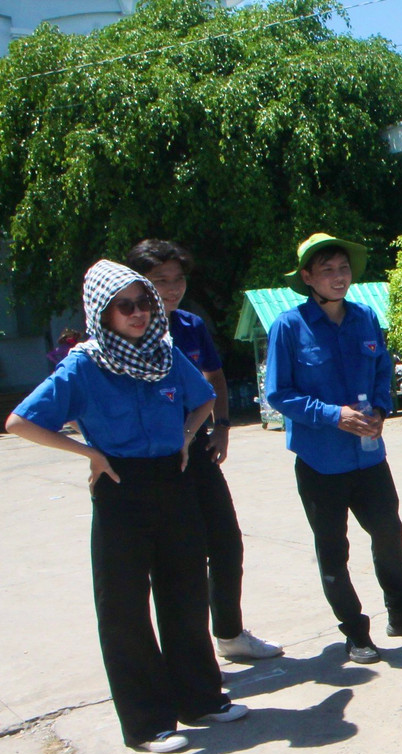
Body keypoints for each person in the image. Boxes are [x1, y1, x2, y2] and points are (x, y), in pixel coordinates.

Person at [6, 261, 247, 753]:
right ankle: (148, 723)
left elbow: (202, 397)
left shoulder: (165, 353)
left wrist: (184, 436)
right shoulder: (84, 364)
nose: (139, 313)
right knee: (124, 608)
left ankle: (200, 699)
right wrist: (89, 453)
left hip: (174, 479)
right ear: (103, 311)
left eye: (145, 303)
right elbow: (19, 422)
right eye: (126, 305)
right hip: (120, 485)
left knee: (185, 593)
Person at [266, 233, 402, 666]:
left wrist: (383, 407)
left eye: (343, 268)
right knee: (334, 549)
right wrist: (333, 415)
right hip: (319, 460)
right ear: (307, 277)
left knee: (388, 531)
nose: (337, 277)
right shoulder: (288, 327)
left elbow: (382, 367)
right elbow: (278, 393)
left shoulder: (365, 317)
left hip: (368, 455)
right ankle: (355, 631)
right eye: (326, 269)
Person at [125, 240, 282, 660]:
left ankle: (229, 635)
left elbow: (214, 381)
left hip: (196, 451)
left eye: (178, 279)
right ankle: (185, 658)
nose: (172, 289)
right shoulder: (125, 333)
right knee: (175, 563)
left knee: (226, 543)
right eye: (161, 281)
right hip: (149, 462)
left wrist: (223, 427)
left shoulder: (191, 326)